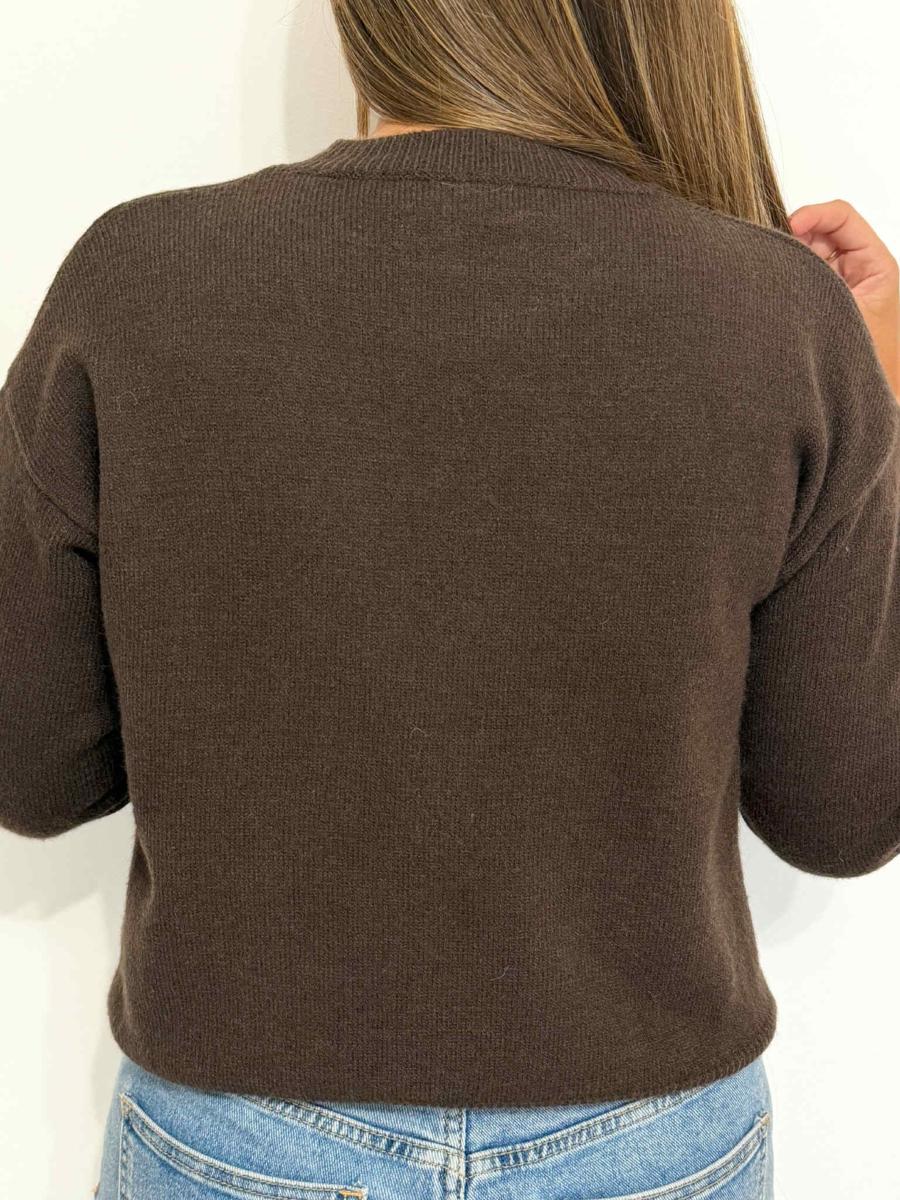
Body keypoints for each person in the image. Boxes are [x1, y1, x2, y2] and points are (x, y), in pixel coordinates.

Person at [1, 2, 898, 1198]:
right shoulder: (779, 313)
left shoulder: (140, 277)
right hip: (646, 1136)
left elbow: (32, 770)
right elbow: (844, 814)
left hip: (244, 1129)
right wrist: (878, 398)